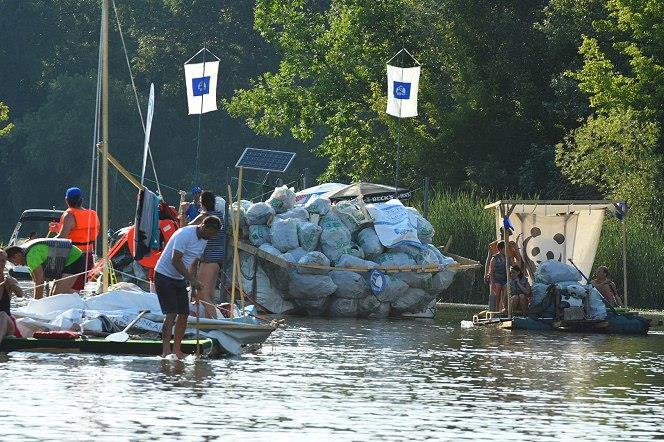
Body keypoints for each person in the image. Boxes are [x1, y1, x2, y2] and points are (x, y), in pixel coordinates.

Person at [154, 216, 221, 359]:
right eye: (210, 233)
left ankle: (177, 350)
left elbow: (193, 262)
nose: (210, 237)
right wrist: (191, 279)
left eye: (213, 235)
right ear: (203, 226)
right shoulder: (184, 234)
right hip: (163, 275)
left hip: (179, 278)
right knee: (171, 313)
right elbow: (175, 260)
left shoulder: (204, 240)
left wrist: (193, 287)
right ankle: (166, 350)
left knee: (184, 314)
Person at [5, 239, 85, 299]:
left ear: (17, 255)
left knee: (56, 297)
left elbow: (40, 279)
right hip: (66, 260)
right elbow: (35, 279)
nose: (16, 264)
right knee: (52, 296)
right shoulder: (24, 253)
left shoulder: (30, 256)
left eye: (13, 261)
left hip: (74, 258)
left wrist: (37, 302)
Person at [55, 187, 100, 291]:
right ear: (82, 200)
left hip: (73, 257)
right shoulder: (93, 214)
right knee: (75, 291)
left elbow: (62, 237)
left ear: (66, 200)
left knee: (61, 292)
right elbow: (82, 232)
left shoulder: (69, 215)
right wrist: (58, 228)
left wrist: (43, 241)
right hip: (88, 257)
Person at [189, 191, 225, 318]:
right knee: (208, 295)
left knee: (202, 294)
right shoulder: (219, 215)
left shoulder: (205, 217)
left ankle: (216, 323)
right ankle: (209, 323)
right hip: (217, 260)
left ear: (201, 203)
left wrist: (182, 212)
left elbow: (185, 228)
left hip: (208, 260)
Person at [0, 249, 24, 345]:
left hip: (7, 323)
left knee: (2, 314)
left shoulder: (10, 280)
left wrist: (12, 285)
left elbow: (20, 294)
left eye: (2, 261)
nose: (0, 263)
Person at [485, 241, 509, 313]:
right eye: (505, 248)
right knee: (497, 298)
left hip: (505, 279)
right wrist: (492, 283)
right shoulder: (494, 258)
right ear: (500, 249)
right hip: (497, 280)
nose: (506, 250)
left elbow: (512, 266)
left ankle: (502, 312)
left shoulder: (507, 258)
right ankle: (495, 313)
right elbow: (491, 271)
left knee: (504, 297)